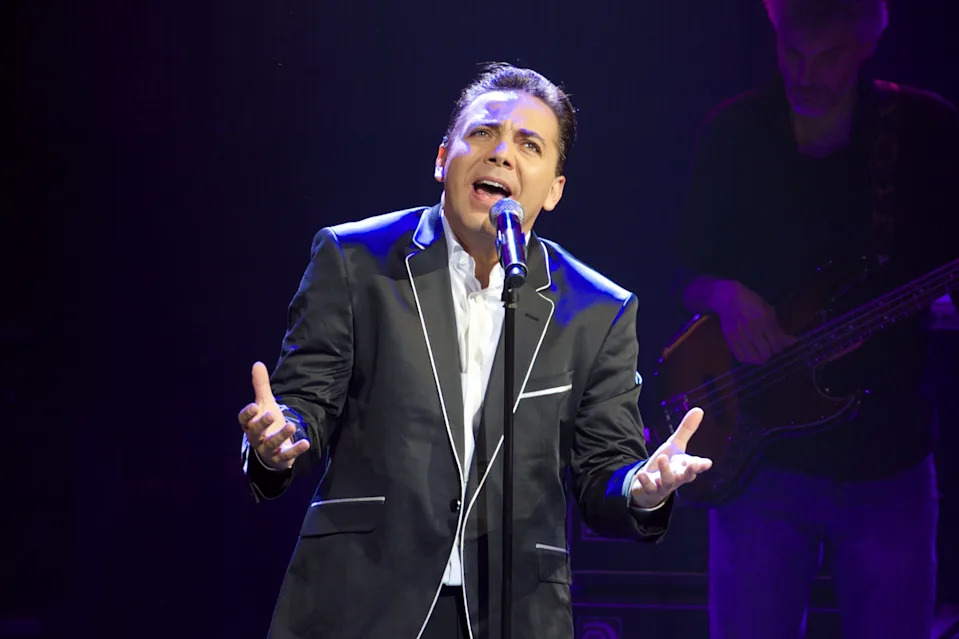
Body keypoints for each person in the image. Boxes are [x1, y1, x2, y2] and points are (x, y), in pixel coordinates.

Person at [238, 63, 711, 639]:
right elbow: (304, 406)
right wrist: (277, 438)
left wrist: (641, 487)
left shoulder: (597, 310)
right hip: (361, 598)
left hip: (514, 612)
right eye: (483, 133)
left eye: (528, 144)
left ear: (555, 188)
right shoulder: (355, 260)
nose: (501, 154)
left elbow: (603, 473)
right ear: (443, 159)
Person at [675, 1, 959, 637]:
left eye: (828, 57)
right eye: (792, 56)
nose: (805, 75)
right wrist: (726, 295)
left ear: (866, 46)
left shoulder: (926, 132)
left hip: (890, 459)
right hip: (760, 460)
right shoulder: (736, 132)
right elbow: (682, 271)